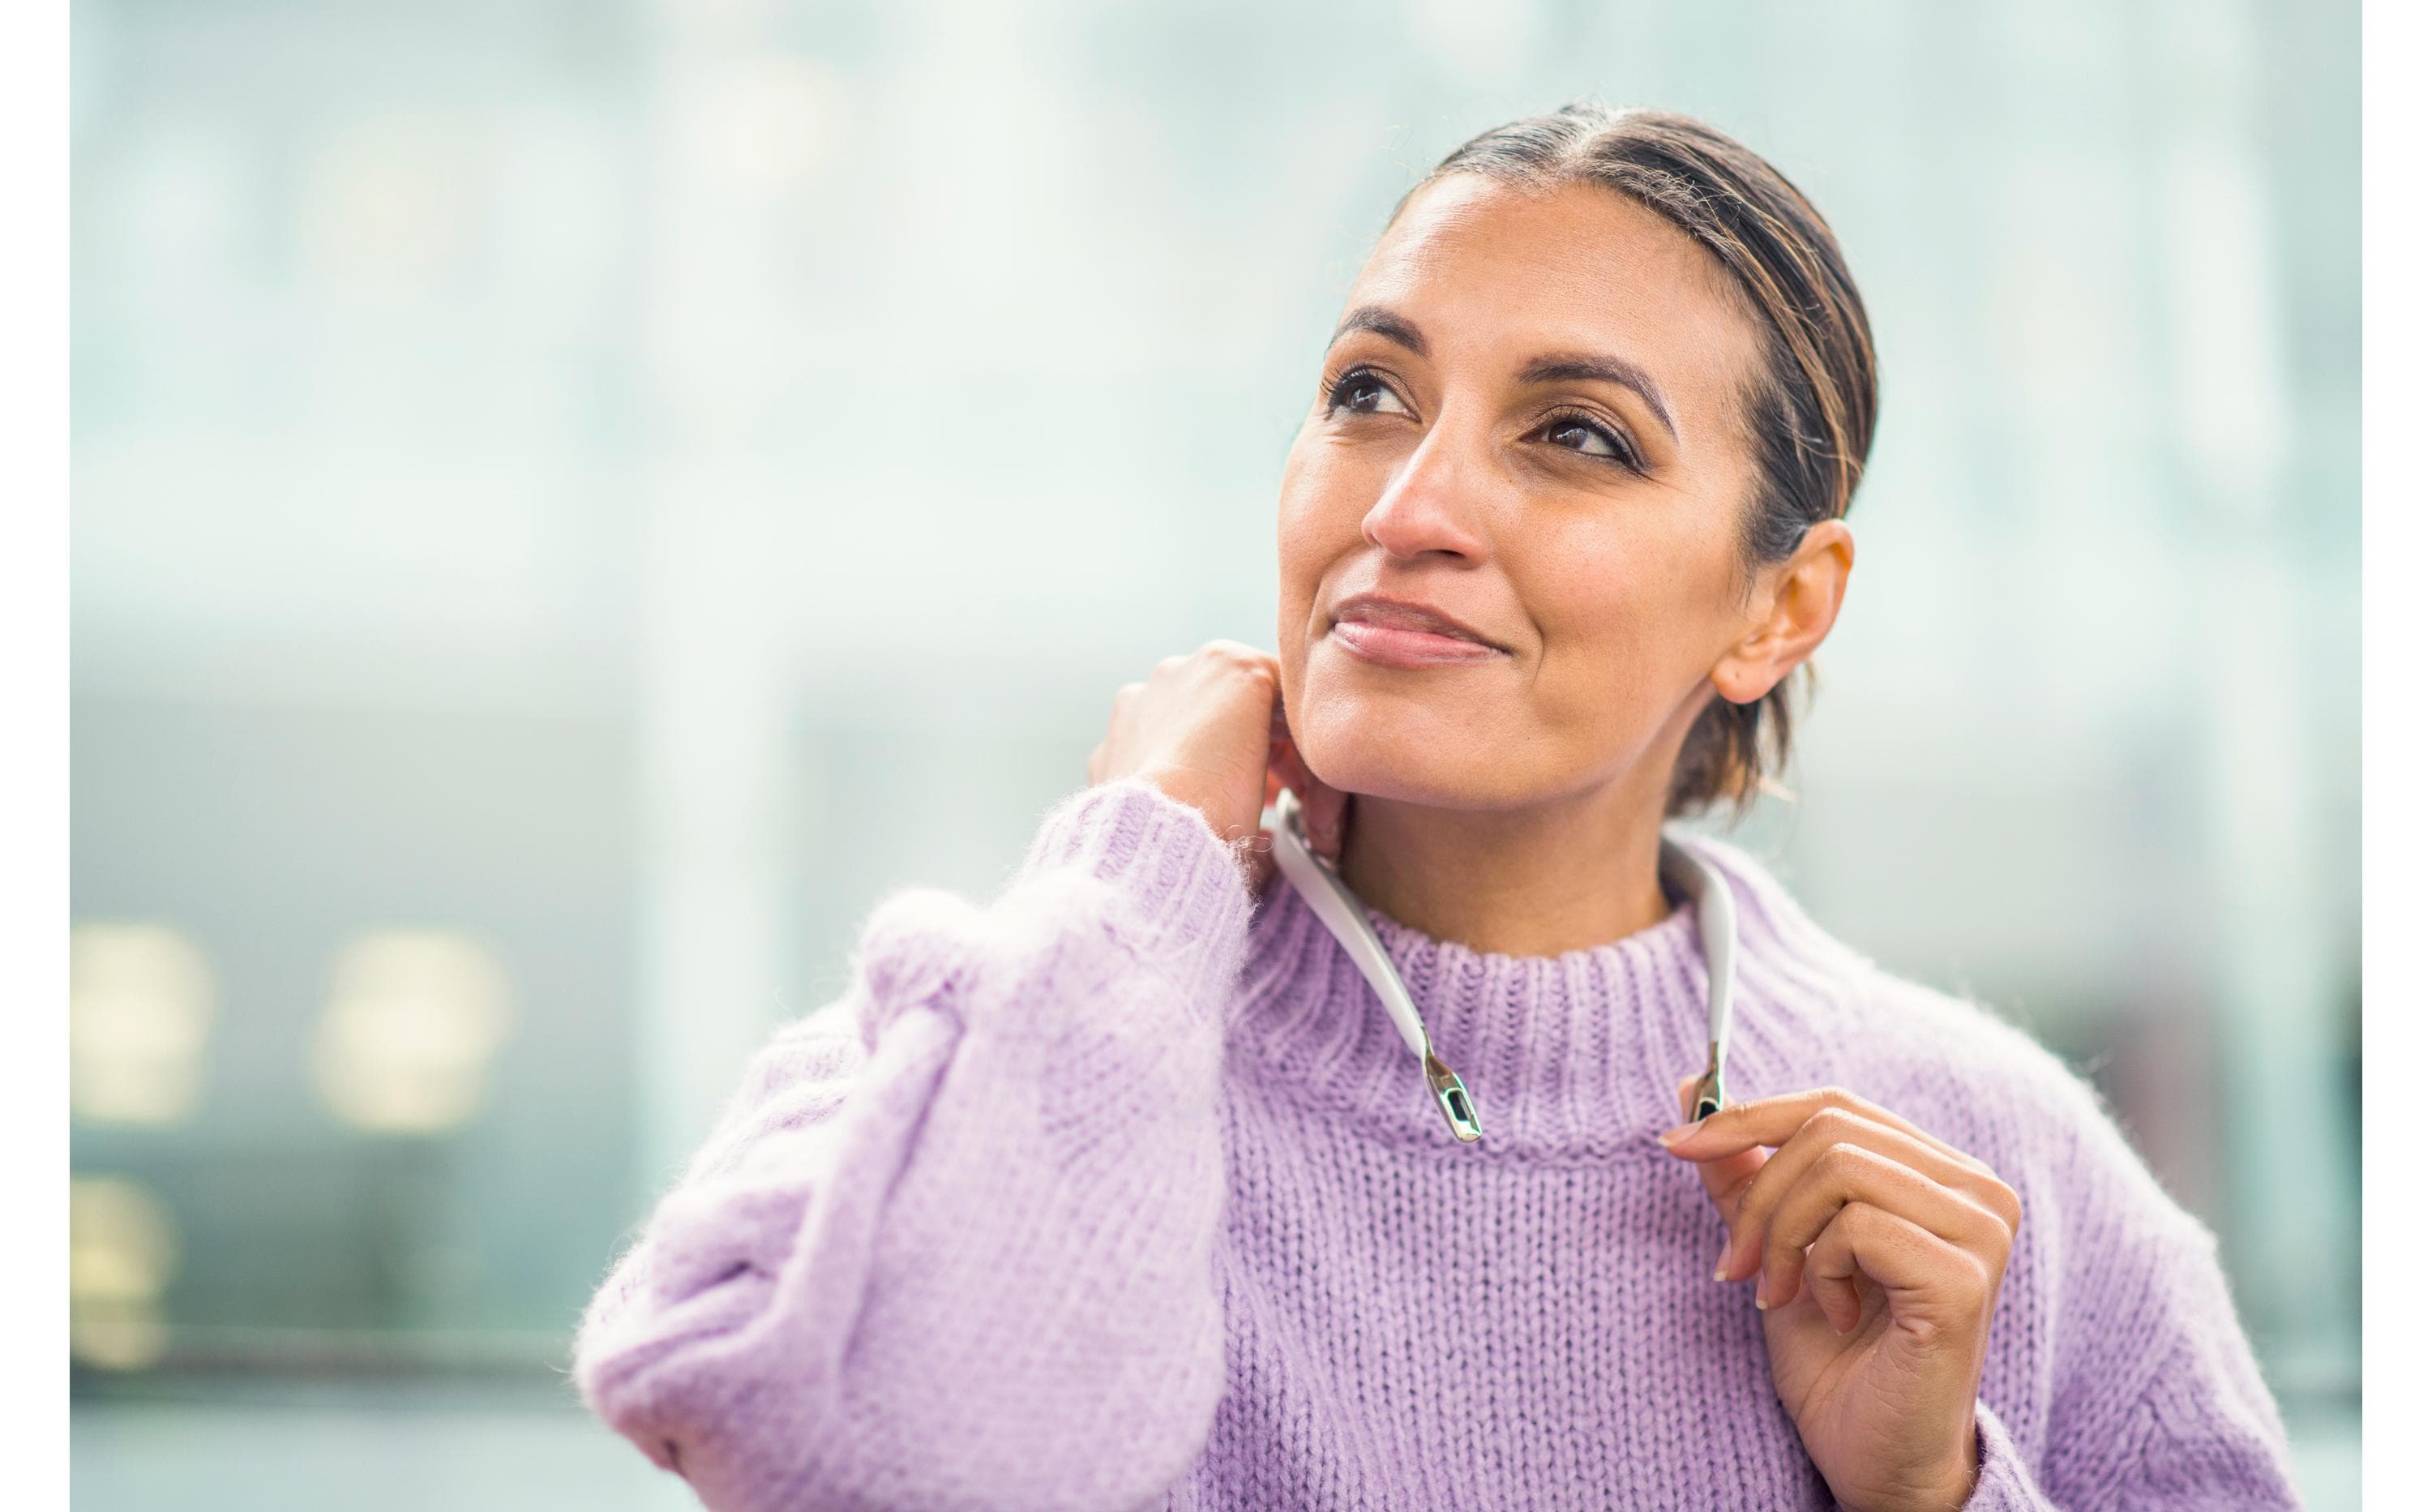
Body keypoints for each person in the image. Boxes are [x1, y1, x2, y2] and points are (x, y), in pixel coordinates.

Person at [571, 103, 2306, 1510]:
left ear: (1779, 606)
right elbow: (894, 1475)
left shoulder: (1994, 1161)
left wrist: (1929, 1495)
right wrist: (1136, 885)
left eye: (1576, 435)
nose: (1408, 502)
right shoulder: (991, 1045)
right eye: (1368, 393)